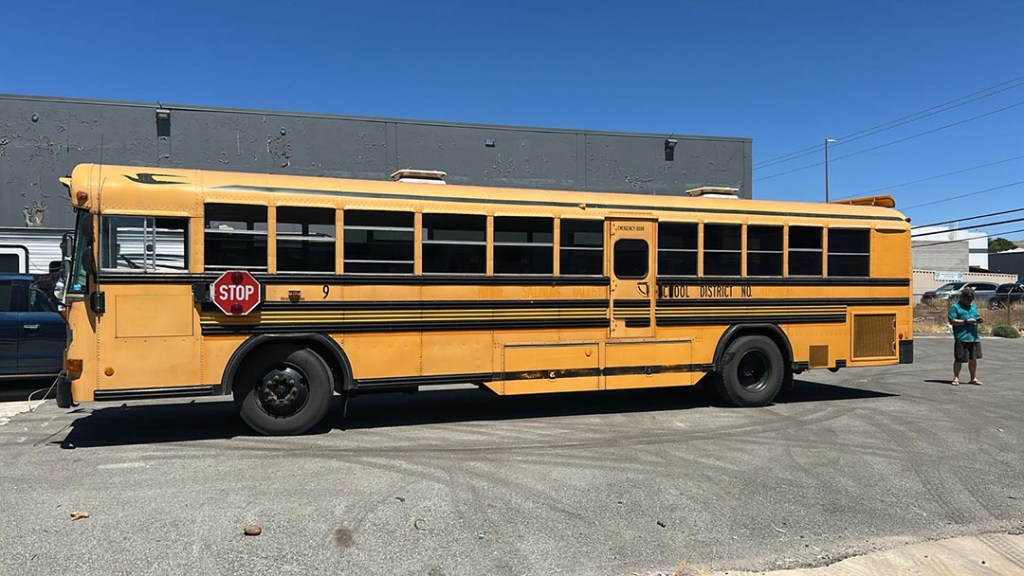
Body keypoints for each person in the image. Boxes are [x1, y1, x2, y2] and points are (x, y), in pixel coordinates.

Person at [948, 287, 984, 386]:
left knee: (973, 359)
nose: (969, 301)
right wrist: (965, 321)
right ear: (962, 297)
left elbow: (976, 316)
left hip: (973, 337)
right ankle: (956, 378)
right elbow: (952, 321)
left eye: (970, 299)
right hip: (961, 337)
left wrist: (978, 319)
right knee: (959, 358)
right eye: (967, 299)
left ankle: (973, 378)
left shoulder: (973, 307)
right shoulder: (955, 307)